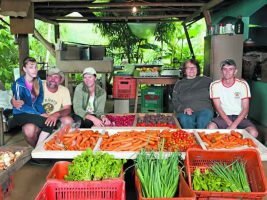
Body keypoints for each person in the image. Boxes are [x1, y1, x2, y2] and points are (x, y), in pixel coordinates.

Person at [12, 67, 73, 146]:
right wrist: (13, 101)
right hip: (38, 118)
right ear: (46, 77)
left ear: (61, 79)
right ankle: (37, 151)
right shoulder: (37, 85)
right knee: (28, 130)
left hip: (55, 118)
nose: (52, 79)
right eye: (50, 76)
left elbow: (67, 109)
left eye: (56, 77)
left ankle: (58, 146)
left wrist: (55, 115)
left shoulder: (64, 90)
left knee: (68, 121)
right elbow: (20, 95)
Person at [208, 59, 258, 137]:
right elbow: (218, 108)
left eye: (231, 69)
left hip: (240, 117)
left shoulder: (243, 84)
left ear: (235, 71)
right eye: (225, 69)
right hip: (223, 117)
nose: (227, 72)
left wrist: (233, 125)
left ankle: (241, 148)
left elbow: (245, 109)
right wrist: (230, 124)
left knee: (254, 133)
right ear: (221, 71)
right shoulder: (214, 85)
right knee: (210, 128)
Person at [11, 57, 54, 147]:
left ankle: (36, 150)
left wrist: (43, 112)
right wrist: (38, 114)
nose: (34, 70)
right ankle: (39, 150)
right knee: (49, 123)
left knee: (50, 121)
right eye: (31, 67)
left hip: (33, 113)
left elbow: (38, 101)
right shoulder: (19, 84)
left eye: (35, 67)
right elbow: (19, 106)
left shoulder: (38, 81)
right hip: (20, 113)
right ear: (24, 69)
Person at [172, 59, 213, 129]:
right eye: (188, 67)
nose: (191, 69)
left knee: (202, 120)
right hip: (185, 111)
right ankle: (190, 138)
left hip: (204, 110)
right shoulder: (179, 84)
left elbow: (218, 91)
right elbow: (174, 100)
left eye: (194, 67)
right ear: (184, 71)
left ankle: (201, 138)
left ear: (197, 69)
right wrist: (183, 108)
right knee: (186, 120)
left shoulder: (207, 81)